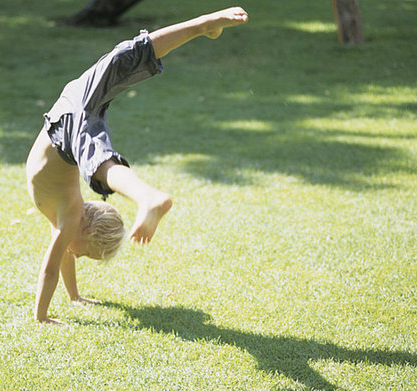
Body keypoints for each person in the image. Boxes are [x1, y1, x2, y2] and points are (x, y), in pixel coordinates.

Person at [26, 7, 249, 324]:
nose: (77, 255)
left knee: (121, 64)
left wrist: (43, 315)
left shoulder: (68, 216)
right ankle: (201, 25)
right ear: (88, 230)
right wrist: (64, 301)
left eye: (84, 254)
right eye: (86, 253)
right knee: (123, 63)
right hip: (68, 112)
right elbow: (59, 259)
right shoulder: (68, 217)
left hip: (69, 106)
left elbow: (53, 264)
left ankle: (147, 197)